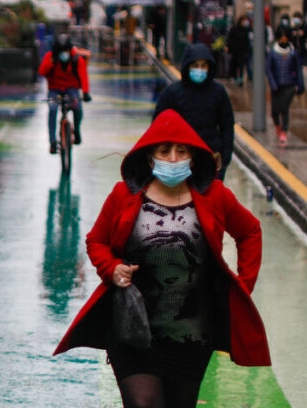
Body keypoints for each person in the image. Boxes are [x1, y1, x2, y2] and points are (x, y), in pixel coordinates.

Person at [53, 109, 270, 408]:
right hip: (133, 328)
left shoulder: (215, 196)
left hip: (192, 334)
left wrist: (243, 288)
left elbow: (250, 232)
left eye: (181, 151)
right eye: (164, 151)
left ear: (192, 158)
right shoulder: (124, 195)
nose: (172, 158)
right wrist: (112, 268)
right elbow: (96, 241)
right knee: (144, 403)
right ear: (150, 157)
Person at [153, 43, 234, 180]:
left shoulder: (218, 92)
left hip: (211, 159)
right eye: (195, 65)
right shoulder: (172, 93)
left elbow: (227, 125)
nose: (199, 70)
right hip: (181, 163)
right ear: (188, 66)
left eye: (203, 66)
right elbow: (157, 127)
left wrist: (224, 159)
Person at [39, 33, 91, 154]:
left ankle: (76, 130)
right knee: (52, 109)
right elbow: (42, 72)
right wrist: (51, 62)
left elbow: (83, 76)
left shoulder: (77, 59)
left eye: (66, 50)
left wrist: (86, 92)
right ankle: (52, 142)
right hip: (54, 89)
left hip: (72, 89)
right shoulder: (50, 57)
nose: (64, 53)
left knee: (77, 107)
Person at [266, 26, 304, 147]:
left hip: (289, 85)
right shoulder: (272, 52)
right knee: (275, 111)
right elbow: (268, 69)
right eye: (281, 37)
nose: (283, 39)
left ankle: (284, 131)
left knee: (284, 108)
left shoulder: (293, 52)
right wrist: (273, 84)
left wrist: (300, 85)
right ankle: (278, 126)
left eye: (285, 37)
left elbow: (298, 69)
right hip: (276, 86)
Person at [225, 15, 251, 86]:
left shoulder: (246, 30)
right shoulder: (234, 29)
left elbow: (247, 40)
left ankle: (240, 78)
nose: (245, 22)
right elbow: (230, 38)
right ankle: (234, 77)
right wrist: (228, 46)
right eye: (244, 21)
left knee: (241, 65)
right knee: (235, 64)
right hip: (235, 50)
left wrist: (247, 49)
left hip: (243, 51)